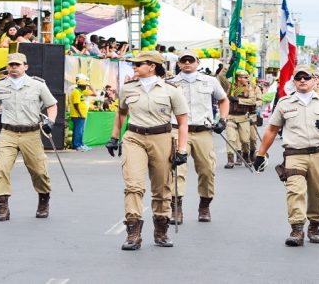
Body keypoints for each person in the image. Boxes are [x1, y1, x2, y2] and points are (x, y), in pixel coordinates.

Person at [105, 51, 188, 250]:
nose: (134, 66)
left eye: (139, 64)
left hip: (162, 138)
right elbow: (121, 113)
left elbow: (183, 121)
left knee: (162, 188)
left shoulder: (171, 90)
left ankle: (161, 231)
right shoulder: (128, 89)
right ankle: (133, 233)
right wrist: (114, 137)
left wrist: (182, 150)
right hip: (134, 138)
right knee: (133, 185)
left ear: (152, 66)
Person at [253, 65, 319, 247]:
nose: (303, 80)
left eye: (306, 77)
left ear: (314, 80)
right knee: (295, 191)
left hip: (318, 153)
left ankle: (315, 226)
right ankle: (297, 229)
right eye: (299, 78)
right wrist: (260, 154)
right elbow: (272, 129)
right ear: (294, 82)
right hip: (294, 154)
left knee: (317, 193)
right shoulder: (285, 103)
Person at [0, 53, 58, 222]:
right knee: (2, 167)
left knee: (39, 170)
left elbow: (52, 104)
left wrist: (50, 121)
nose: (14, 67)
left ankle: (44, 200)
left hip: (31, 133)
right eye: (11, 65)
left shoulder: (37, 85)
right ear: (7, 67)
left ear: (25, 66)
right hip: (8, 132)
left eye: (17, 64)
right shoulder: (0, 86)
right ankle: (3, 207)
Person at [167, 50, 229, 224]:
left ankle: (204, 205)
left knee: (207, 170)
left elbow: (223, 100)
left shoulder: (210, 81)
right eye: (183, 60)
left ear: (198, 62)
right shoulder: (170, 83)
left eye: (190, 60)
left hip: (203, 131)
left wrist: (222, 120)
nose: (187, 63)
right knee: (177, 169)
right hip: (177, 131)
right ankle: (176, 208)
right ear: (178, 63)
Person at [219, 67, 258, 168]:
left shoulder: (249, 88)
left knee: (245, 141)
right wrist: (229, 64)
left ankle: (245, 155)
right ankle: (230, 159)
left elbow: (252, 101)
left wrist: (238, 100)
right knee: (231, 138)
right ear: (238, 78)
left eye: (247, 77)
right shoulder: (230, 87)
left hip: (243, 117)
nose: (247, 79)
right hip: (231, 117)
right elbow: (221, 77)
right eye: (244, 77)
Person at [69, 74, 96, 151]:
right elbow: (76, 104)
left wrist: (89, 83)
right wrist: (80, 114)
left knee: (80, 131)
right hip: (78, 115)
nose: (86, 86)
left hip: (80, 115)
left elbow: (95, 93)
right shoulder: (76, 92)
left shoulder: (81, 91)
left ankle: (80, 144)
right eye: (85, 85)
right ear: (81, 85)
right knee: (78, 131)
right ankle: (77, 145)